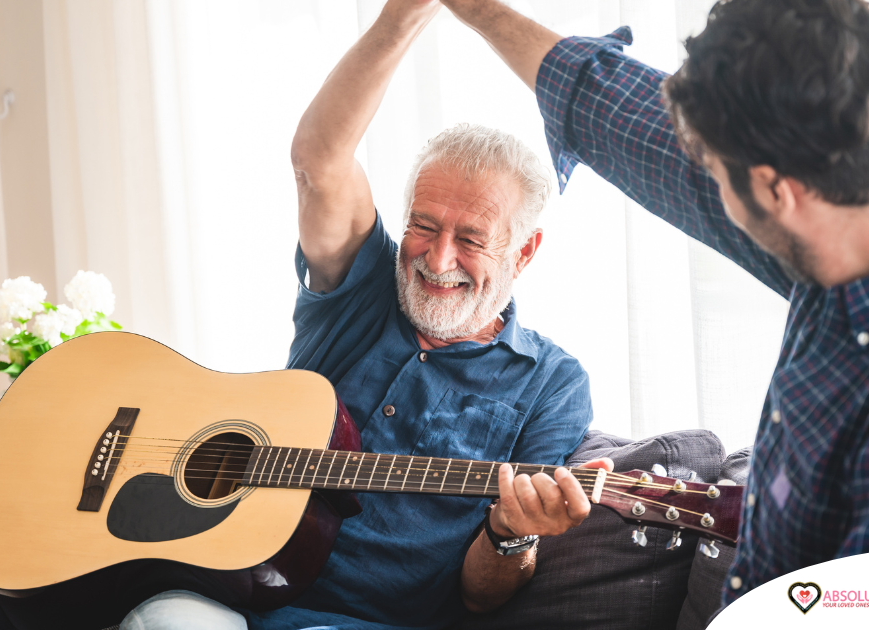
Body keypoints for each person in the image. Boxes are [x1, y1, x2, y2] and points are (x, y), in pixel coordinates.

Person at [442, 0, 869, 611]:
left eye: (715, 171)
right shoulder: (856, 213)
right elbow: (620, 115)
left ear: (775, 189)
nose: (707, 187)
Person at [121, 2, 611, 629]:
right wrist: (402, 17)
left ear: (524, 250)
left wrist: (513, 533)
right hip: (217, 591)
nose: (437, 259)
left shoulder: (552, 382)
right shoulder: (364, 285)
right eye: (423, 226)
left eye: (471, 239)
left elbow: (482, 598)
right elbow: (318, 163)